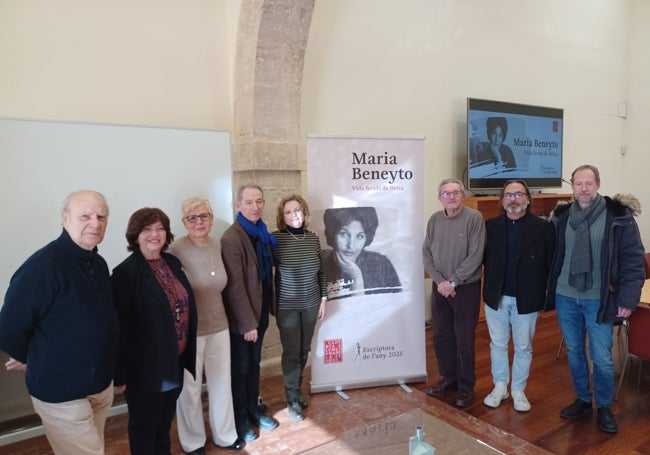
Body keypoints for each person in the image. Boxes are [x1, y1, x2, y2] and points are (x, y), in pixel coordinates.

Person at [0, 190, 118, 455]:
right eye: (85, 216)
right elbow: (9, 327)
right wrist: (33, 356)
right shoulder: (42, 267)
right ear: (65, 219)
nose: (95, 223)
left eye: (101, 216)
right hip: (63, 393)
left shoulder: (97, 263)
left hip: (99, 386)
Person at [547, 164, 645, 434]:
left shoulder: (618, 216)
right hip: (566, 295)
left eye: (589, 183)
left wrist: (628, 299)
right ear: (572, 187)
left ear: (598, 185)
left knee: (602, 357)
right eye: (578, 183)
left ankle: (603, 405)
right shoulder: (563, 215)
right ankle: (582, 399)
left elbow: (634, 261)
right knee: (575, 352)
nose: (584, 188)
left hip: (599, 299)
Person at [111, 207, 198, 455]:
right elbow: (119, 328)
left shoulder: (172, 263)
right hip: (145, 371)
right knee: (144, 428)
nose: (154, 234)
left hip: (174, 362)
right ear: (135, 235)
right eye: (147, 229)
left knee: (163, 425)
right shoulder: (125, 274)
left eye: (160, 228)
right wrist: (122, 375)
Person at [170, 197, 245, 454]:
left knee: (222, 383)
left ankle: (225, 435)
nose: (199, 222)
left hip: (220, 326)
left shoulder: (217, 244)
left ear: (212, 219)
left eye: (204, 216)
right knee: (189, 390)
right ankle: (192, 443)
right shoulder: (175, 248)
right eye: (192, 218)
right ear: (184, 222)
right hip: (189, 332)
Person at [482, 180, 555, 412]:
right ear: (502, 201)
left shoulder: (543, 228)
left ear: (528, 199)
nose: (513, 199)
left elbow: (550, 263)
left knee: (523, 347)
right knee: (498, 344)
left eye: (518, 195)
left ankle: (518, 390)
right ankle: (500, 386)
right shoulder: (490, 227)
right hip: (497, 296)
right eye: (508, 195)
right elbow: (484, 259)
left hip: (527, 297)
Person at [221, 184, 279, 442]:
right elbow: (234, 286)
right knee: (241, 368)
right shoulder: (231, 238)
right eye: (248, 202)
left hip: (261, 310)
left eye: (259, 201)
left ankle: (254, 409)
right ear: (238, 205)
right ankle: (240, 417)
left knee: (254, 364)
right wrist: (247, 324)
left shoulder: (262, 232)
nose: (255, 207)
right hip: (243, 319)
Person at [422, 178, 485, 408]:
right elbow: (426, 253)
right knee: (441, 336)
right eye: (446, 193)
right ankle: (449, 378)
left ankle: (466, 386)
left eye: (456, 193)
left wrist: (454, 282)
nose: (451, 197)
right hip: (441, 288)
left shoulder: (474, 218)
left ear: (462, 195)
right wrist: (441, 282)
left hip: (465, 288)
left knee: (464, 338)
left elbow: (476, 255)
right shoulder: (435, 220)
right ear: (440, 198)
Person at [272, 194, 327, 421]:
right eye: (288, 212)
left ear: (304, 212)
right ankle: (292, 396)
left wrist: (323, 299)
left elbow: (321, 272)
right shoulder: (274, 239)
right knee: (292, 351)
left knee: (304, 349)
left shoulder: (313, 239)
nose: (293, 215)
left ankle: (297, 388)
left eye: (297, 210)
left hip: (312, 303)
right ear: (282, 217)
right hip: (287, 306)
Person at [323, 206, 401, 299]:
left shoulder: (382, 264)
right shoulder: (321, 267)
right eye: (343, 234)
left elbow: (398, 304)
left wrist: (357, 278)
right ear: (332, 234)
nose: (351, 245)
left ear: (367, 238)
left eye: (359, 236)